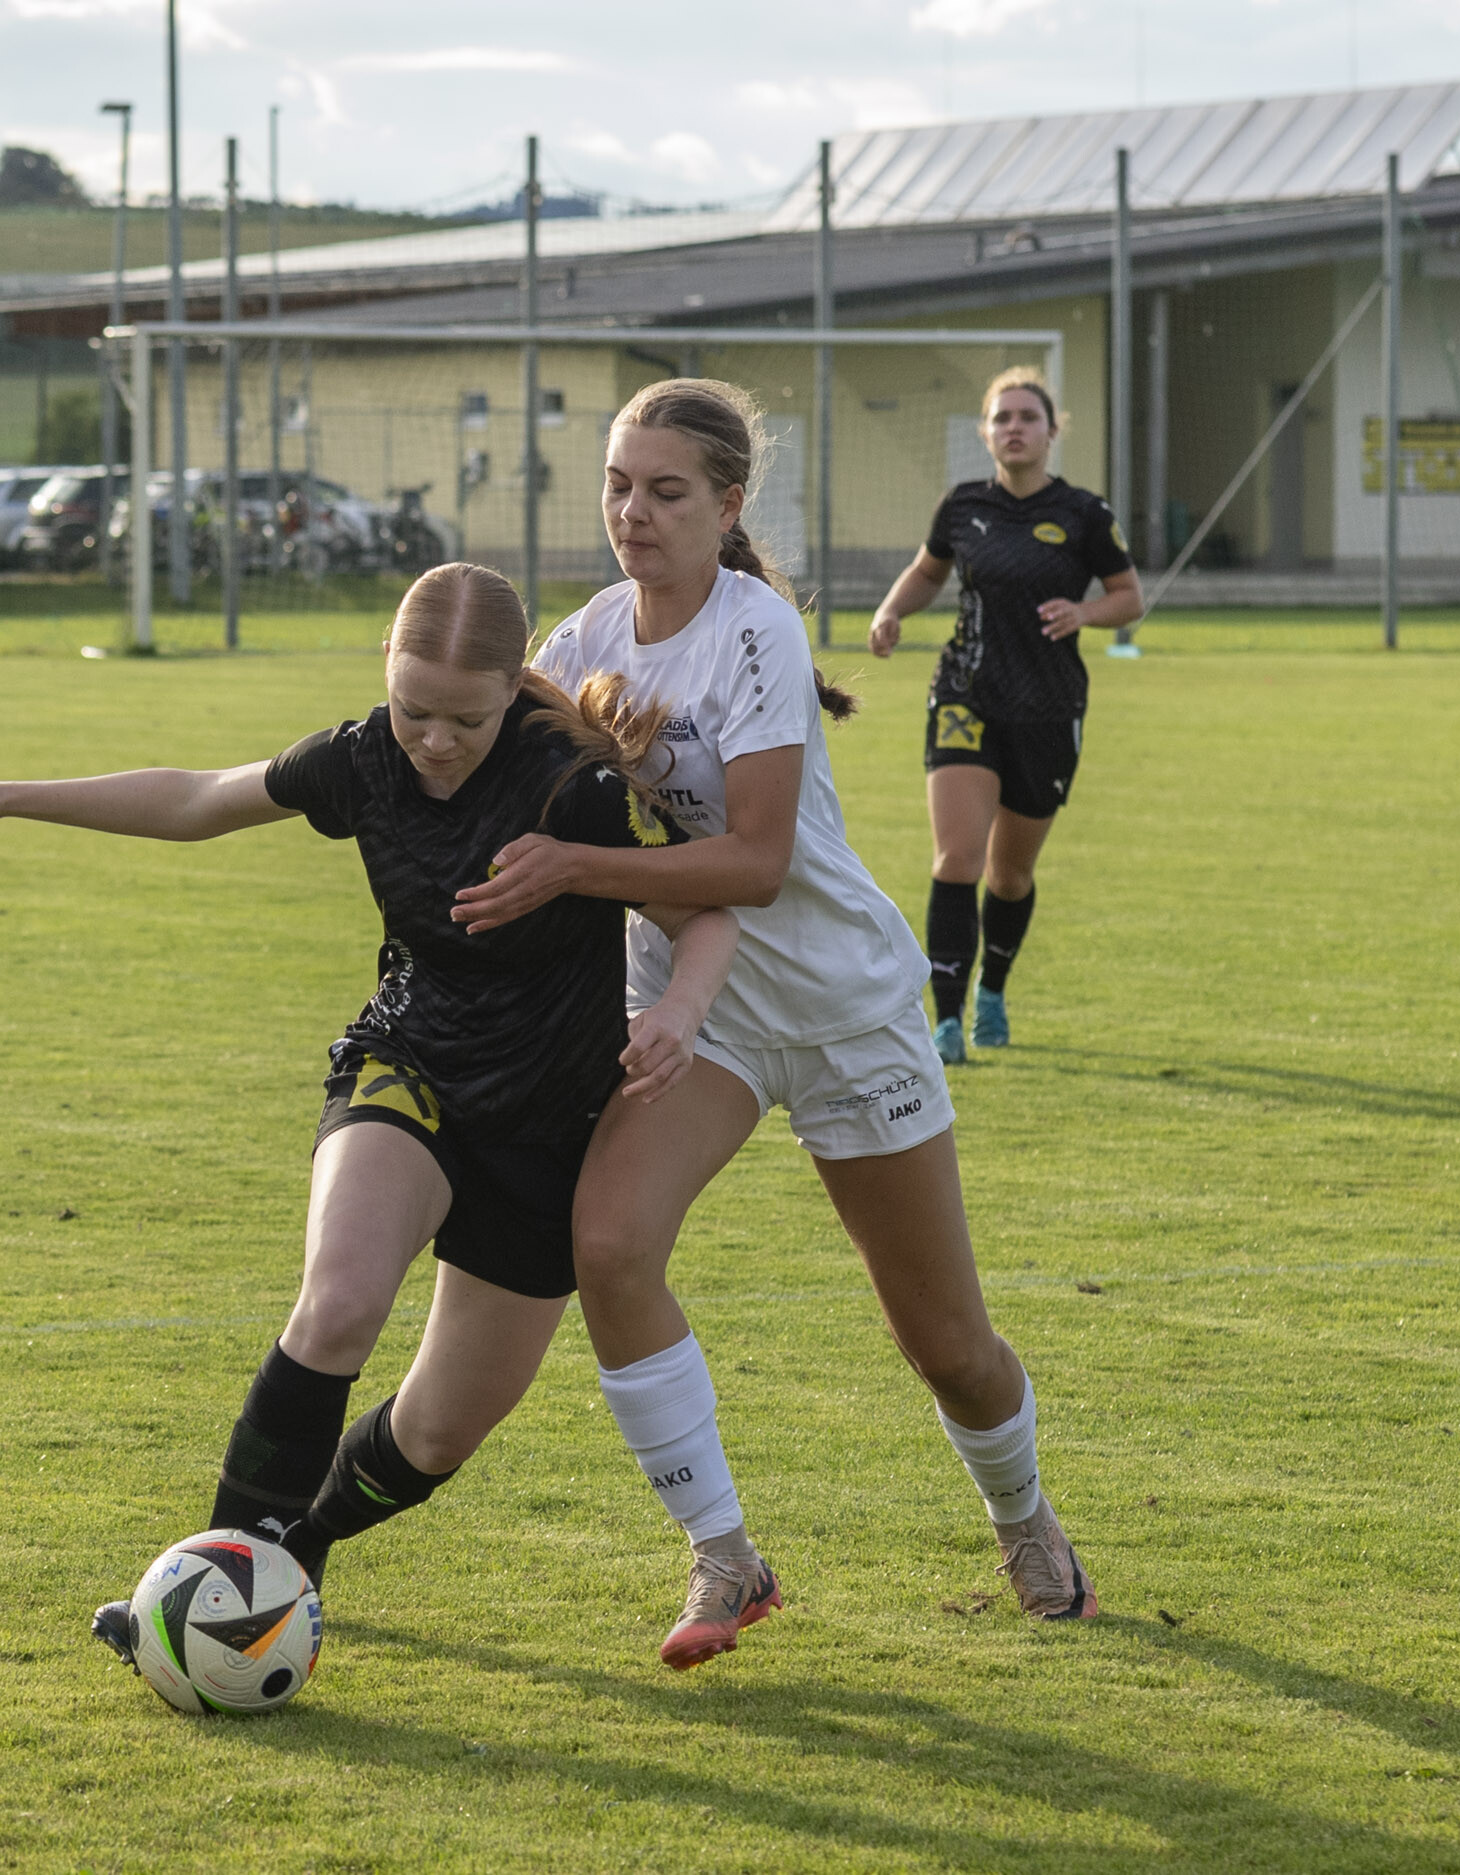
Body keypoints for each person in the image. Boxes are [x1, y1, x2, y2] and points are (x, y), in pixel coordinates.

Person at [0, 561, 739, 1634]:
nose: (434, 741)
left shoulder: (575, 787)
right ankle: (208, 1597)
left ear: (514, 684)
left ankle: (294, 1549)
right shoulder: (362, 756)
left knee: (436, 1434)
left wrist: (679, 1009)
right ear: (387, 669)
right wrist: (7, 795)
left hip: (546, 1127)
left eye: (466, 719)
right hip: (409, 1067)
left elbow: (708, 908)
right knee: (338, 1303)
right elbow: (197, 799)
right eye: (414, 709)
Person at [452, 378, 1101, 1658]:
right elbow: (467, 747)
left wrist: (575, 869)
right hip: (700, 1020)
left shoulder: (751, 629)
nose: (633, 514)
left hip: (844, 1008)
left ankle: (1023, 1518)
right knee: (610, 1246)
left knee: (946, 1345)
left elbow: (753, 863)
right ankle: (723, 1557)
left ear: (729, 505)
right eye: (617, 486)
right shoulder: (582, 641)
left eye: (666, 491)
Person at [866, 368, 1146, 1064]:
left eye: (1027, 417)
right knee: (956, 857)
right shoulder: (962, 506)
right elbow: (928, 572)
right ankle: (947, 1021)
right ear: (986, 434)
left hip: (1048, 706)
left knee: (1009, 875)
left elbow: (1129, 597)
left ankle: (992, 988)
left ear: (1052, 431)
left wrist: (1084, 612)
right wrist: (892, 610)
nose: (1014, 428)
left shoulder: (1084, 513)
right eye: (1002, 418)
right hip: (965, 693)